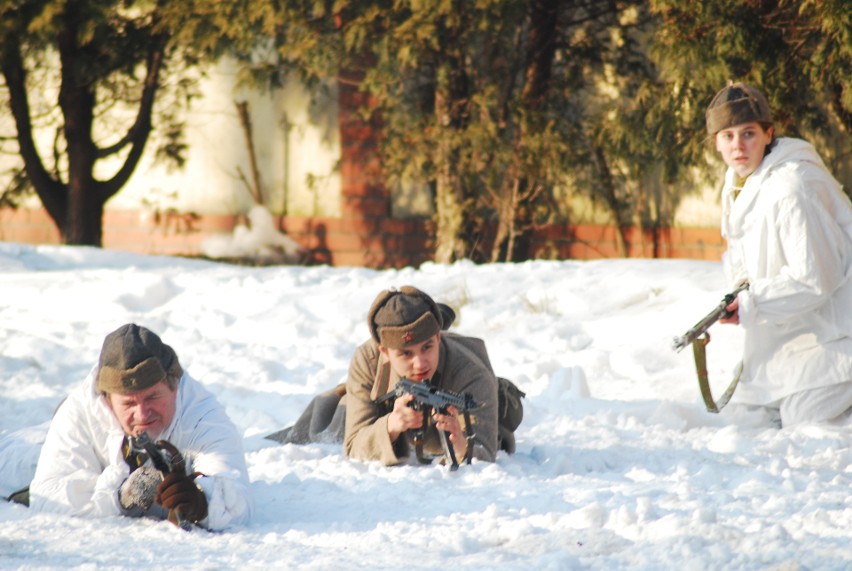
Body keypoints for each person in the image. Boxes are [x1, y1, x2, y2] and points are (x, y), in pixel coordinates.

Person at [707, 82, 852, 426]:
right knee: (751, 416)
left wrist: (750, 304)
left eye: (748, 133)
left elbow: (815, 279)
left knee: (806, 421)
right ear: (716, 142)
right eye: (727, 136)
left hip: (839, 330)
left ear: (768, 133)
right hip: (802, 334)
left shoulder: (792, 188)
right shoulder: (741, 183)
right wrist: (738, 297)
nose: (738, 146)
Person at [27, 323, 253, 530]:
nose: (142, 414)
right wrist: (121, 495)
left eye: (153, 397)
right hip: (25, 456)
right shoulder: (79, 411)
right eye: (128, 403)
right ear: (107, 401)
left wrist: (202, 502)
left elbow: (239, 501)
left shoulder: (202, 414)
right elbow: (45, 498)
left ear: (174, 387)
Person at [344, 286, 500, 466]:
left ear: (438, 337)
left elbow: (485, 450)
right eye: (406, 354)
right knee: (330, 411)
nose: (420, 364)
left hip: (463, 371)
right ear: (384, 351)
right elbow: (353, 445)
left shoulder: (470, 372)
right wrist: (390, 426)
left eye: (427, 347)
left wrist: (462, 448)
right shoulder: (368, 360)